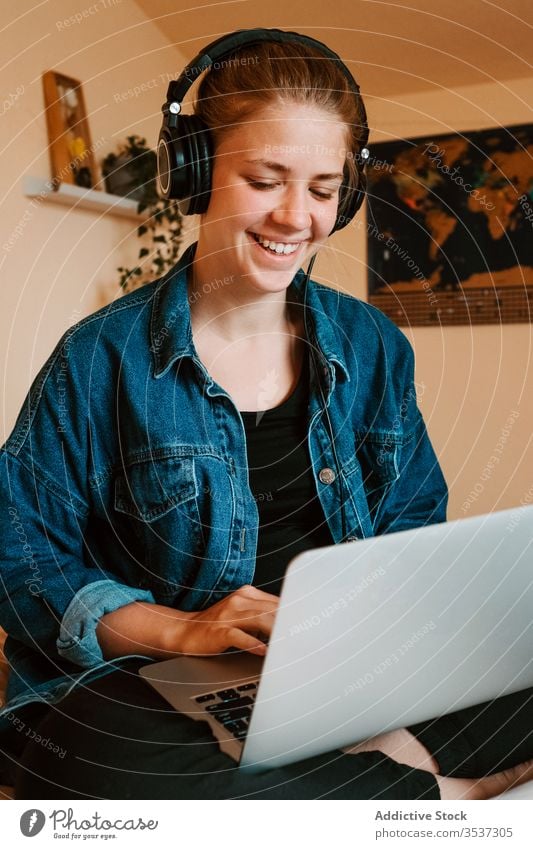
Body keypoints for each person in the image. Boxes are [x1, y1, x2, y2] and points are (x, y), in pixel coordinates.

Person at [1, 28, 532, 801]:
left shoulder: (373, 346)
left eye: (322, 190)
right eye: (263, 178)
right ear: (194, 170)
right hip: (159, 682)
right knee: (90, 748)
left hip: (342, 671)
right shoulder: (98, 359)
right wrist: (186, 630)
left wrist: (379, 657)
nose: (295, 217)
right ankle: (433, 793)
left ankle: (352, 771)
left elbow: (412, 527)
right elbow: (25, 567)